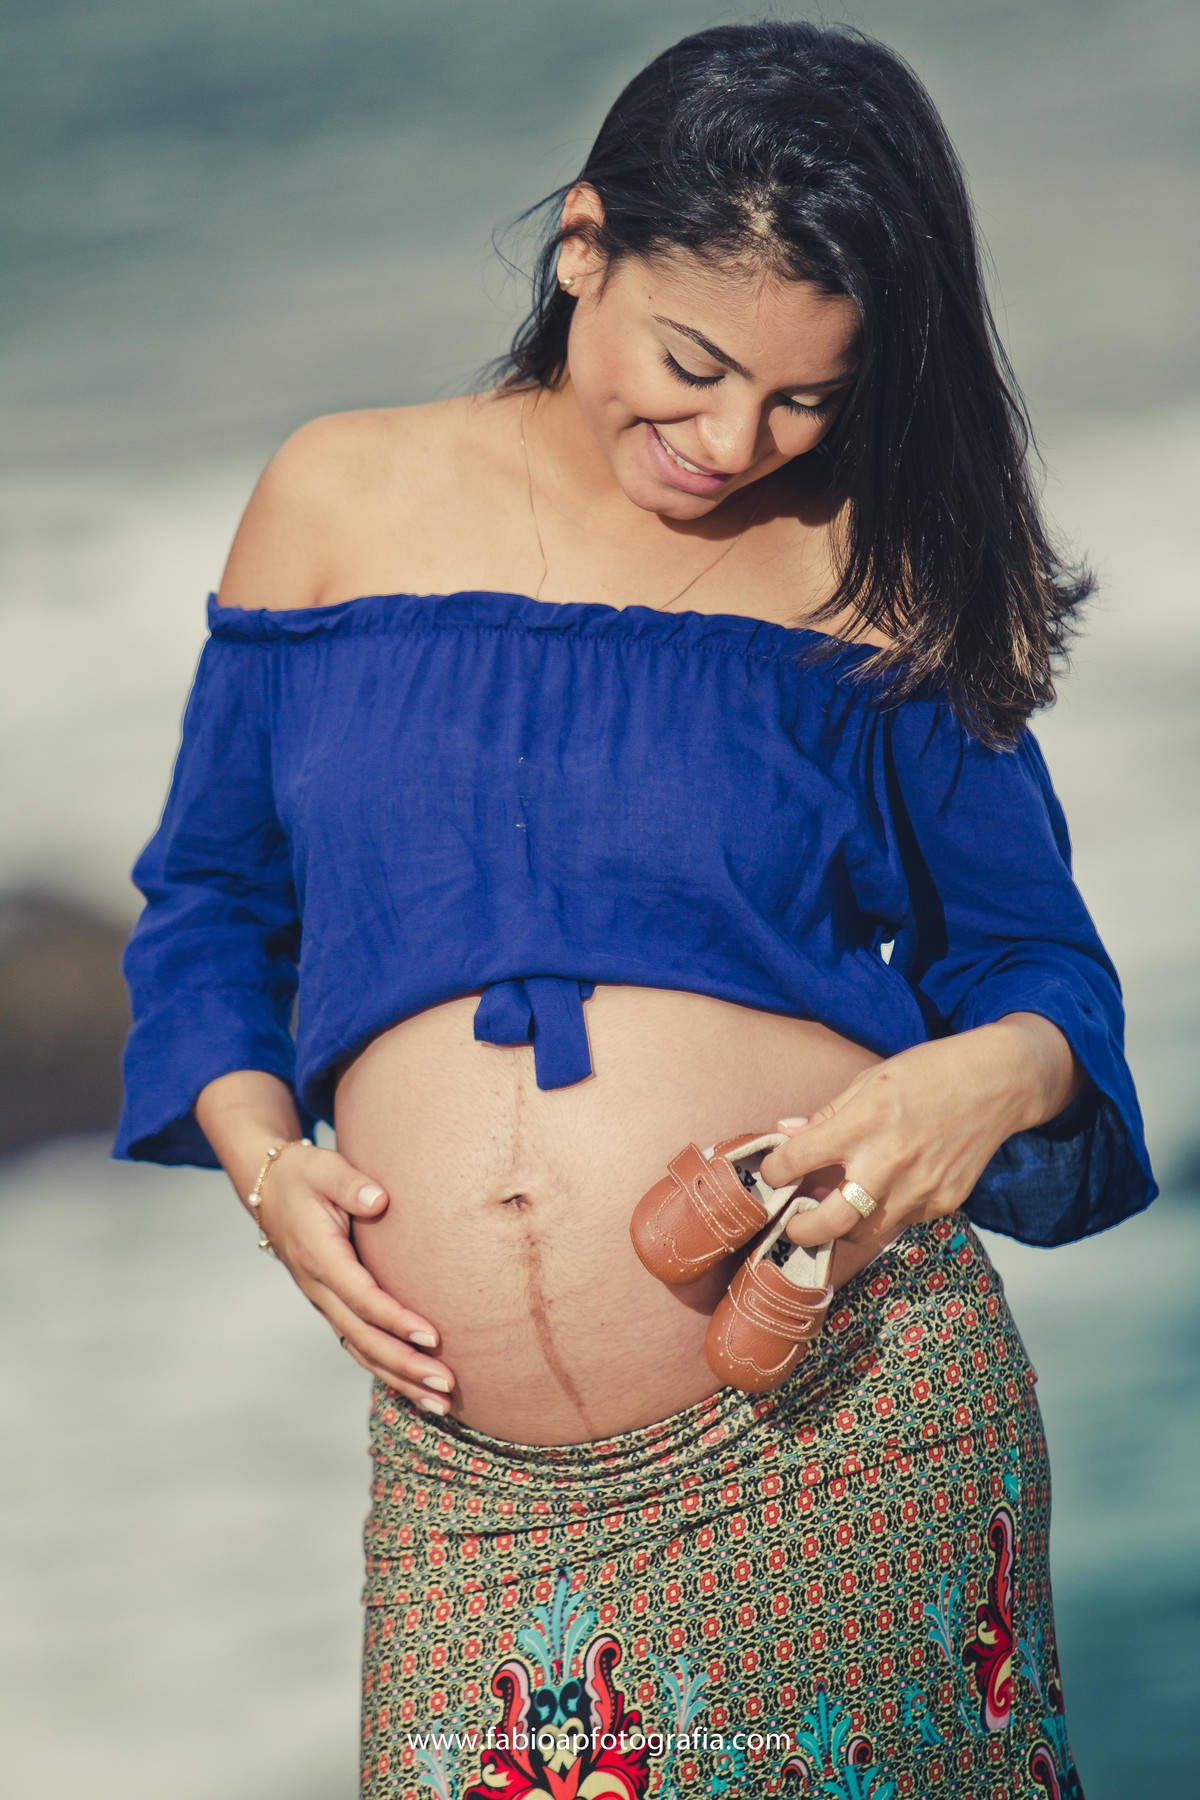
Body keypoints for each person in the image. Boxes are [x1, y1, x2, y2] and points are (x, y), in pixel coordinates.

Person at [112, 19, 1156, 1799]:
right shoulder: (334, 498)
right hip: (469, 1496)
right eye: (693, 363)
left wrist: (965, 1089)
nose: (734, 439)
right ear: (583, 244)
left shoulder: (873, 565)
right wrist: (269, 1166)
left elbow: (1034, 967)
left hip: (843, 1420)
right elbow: (211, 904)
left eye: (806, 396)